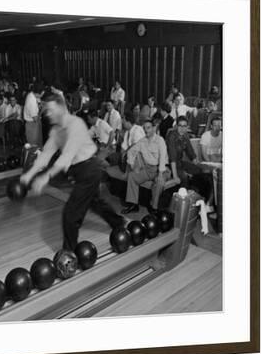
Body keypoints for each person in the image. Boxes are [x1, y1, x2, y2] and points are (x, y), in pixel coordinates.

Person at [20, 92, 125, 252]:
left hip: (90, 169)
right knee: (94, 202)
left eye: (50, 110)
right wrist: (29, 174)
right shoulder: (56, 130)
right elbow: (47, 153)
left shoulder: (75, 124)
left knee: (70, 214)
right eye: (45, 110)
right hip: (80, 172)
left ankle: (69, 253)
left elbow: (68, 154)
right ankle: (118, 222)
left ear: (61, 108)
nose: (47, 114)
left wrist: (46, 176)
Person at [121, 119, 168, 214]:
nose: (146, 130)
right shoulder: (142, 141)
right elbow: (131, 151)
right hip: (148, 169)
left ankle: (154, 208)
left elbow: (163, 158)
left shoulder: (160, 140)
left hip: (162, 169)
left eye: (148, 127)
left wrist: (160, 174)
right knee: (132, 176)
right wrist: (133, 165)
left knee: (159, 183)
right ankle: (133, 205)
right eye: (144, 128)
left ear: (154, 128)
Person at [166, 116, 200, 187]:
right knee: (184, 177)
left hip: (179, 163)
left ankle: (193, 193)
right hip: (169, 165)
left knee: (198, 170)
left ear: (187, 127)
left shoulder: (185, 135)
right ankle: (183, 195)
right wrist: (175, 177)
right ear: (176, 126)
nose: (182, 128)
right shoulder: (171, 136)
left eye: (184, 126)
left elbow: (190, 151)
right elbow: (172, 158)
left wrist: (197, 163)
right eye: (180, 126)